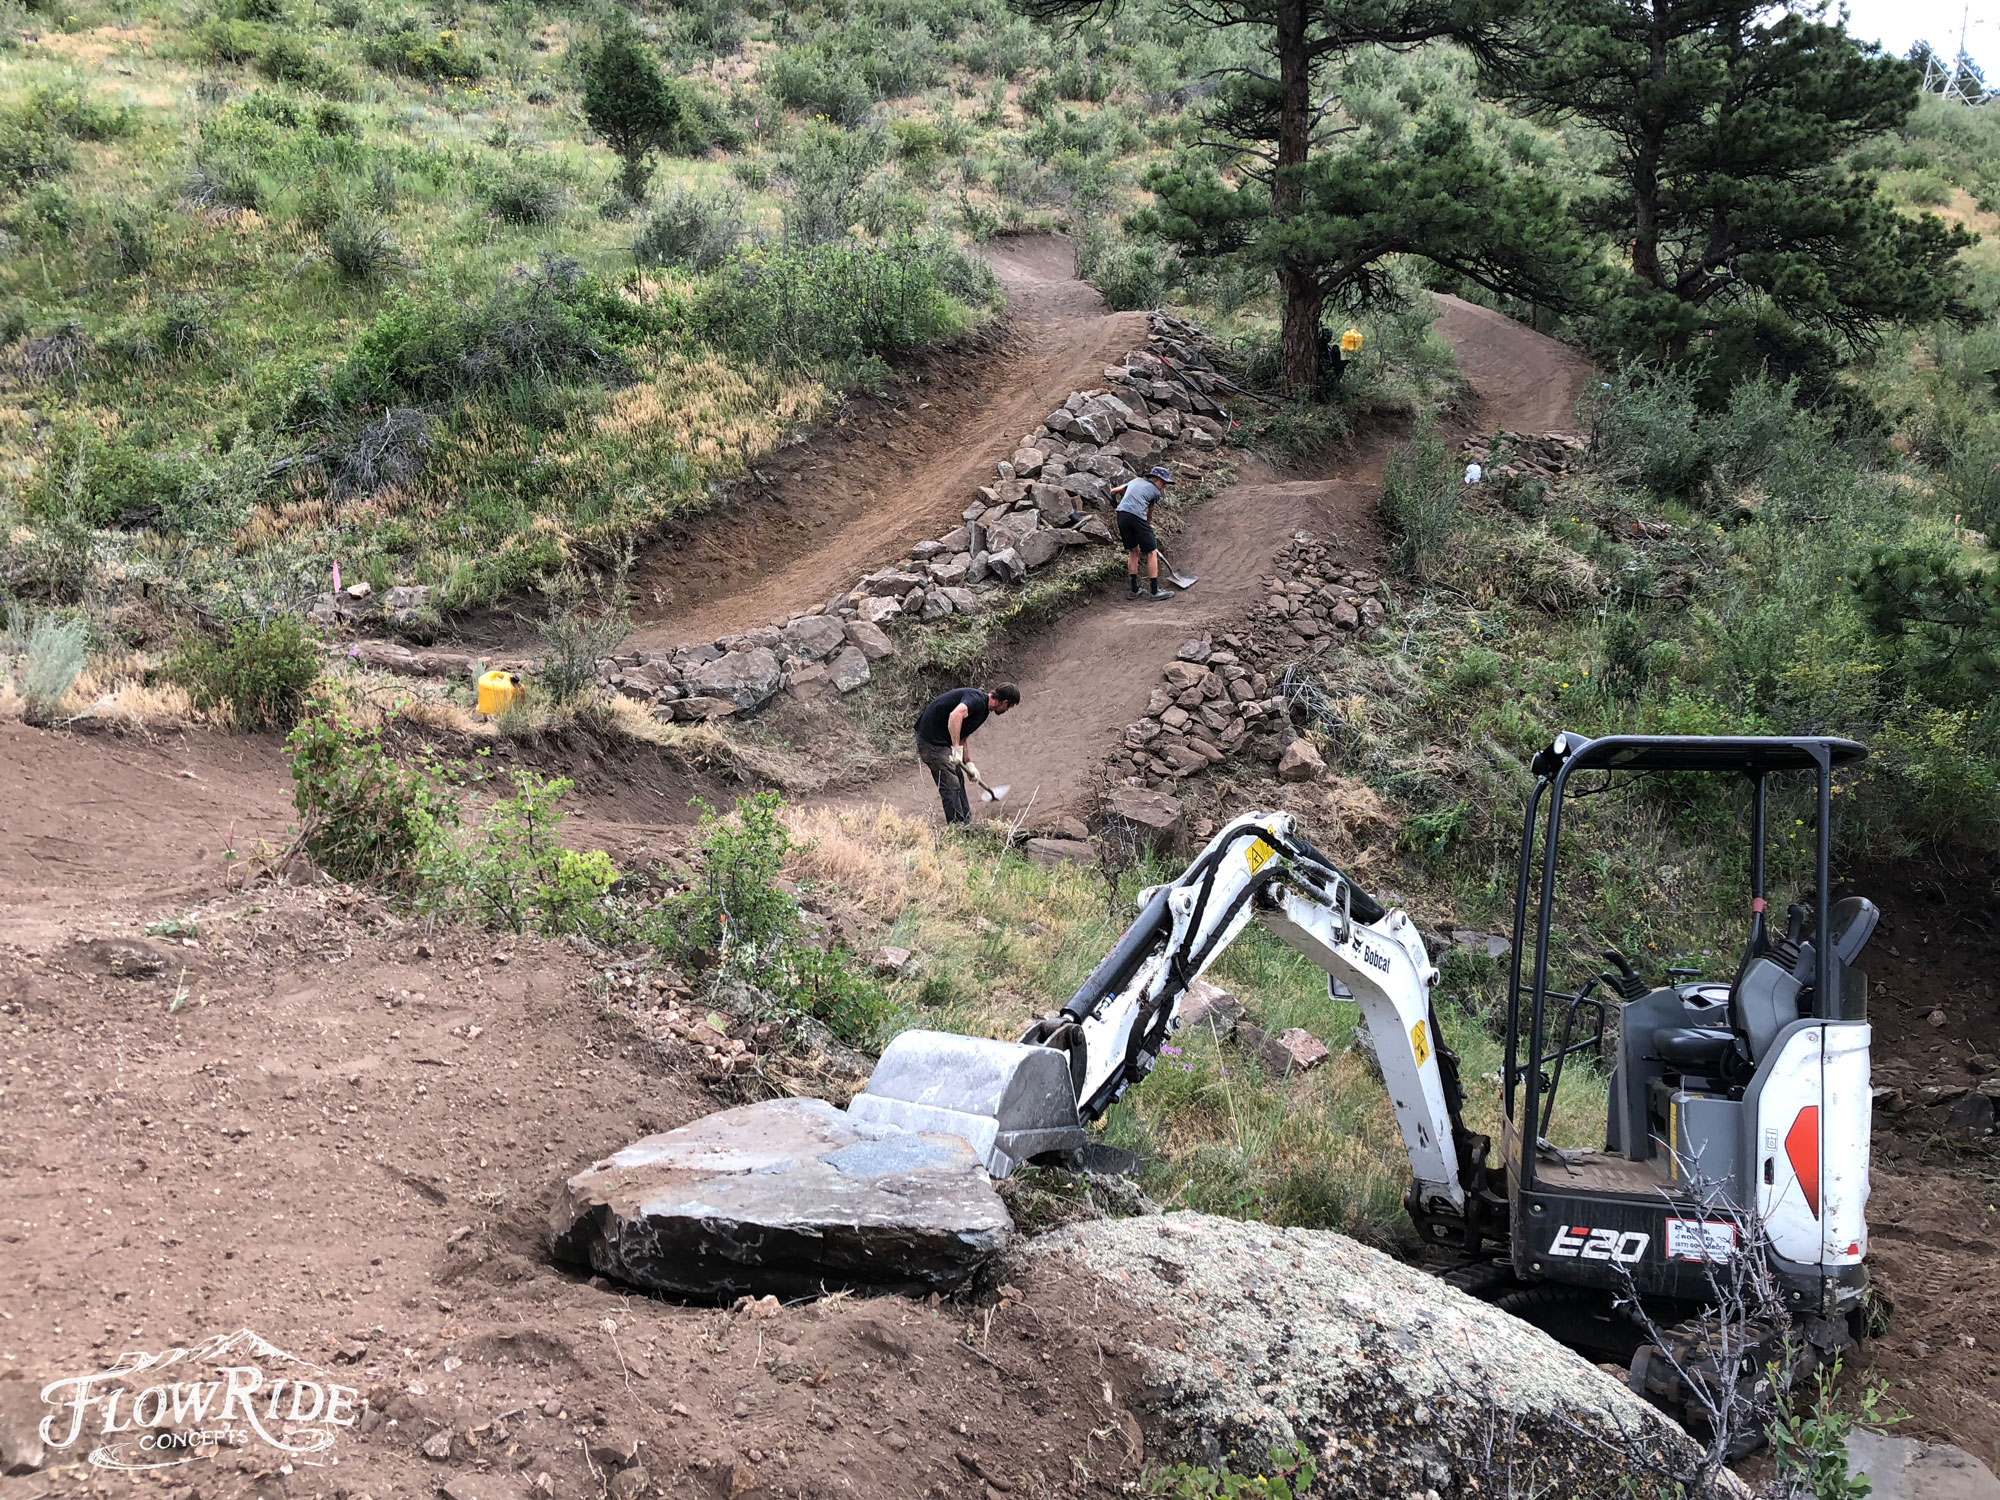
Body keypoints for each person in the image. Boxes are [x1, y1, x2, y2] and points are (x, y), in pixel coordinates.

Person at [913, 683, 1019, 824]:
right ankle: (957, 828)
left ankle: (967, 824)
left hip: (941, 741)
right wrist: (956, 748)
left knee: (958, 778)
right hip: (931, 741)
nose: (1007, 710)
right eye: (1009, 707)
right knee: (950, 783)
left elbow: (962, 734)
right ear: (1005, 702)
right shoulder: (976, 700)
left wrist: (968, 763)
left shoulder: (983, 710)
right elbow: (955, 716)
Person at [1110, 466, 1173, 600]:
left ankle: (1134, 590)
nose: (1163, 487)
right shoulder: (1155, 492)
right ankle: (1155, 592)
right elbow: (1149, 515)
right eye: (1163, 483)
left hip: (1121, 515)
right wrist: (1147, 530)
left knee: (1134, 550)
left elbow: (1113, 491)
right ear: (1156, 479)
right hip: (1136, 516)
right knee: (1152, 552)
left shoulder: (1135, 481)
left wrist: (1114, 502)